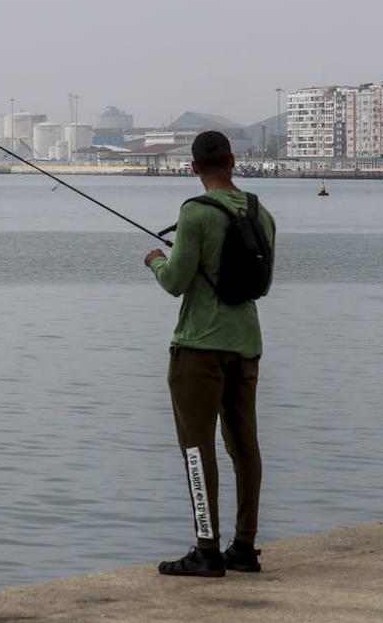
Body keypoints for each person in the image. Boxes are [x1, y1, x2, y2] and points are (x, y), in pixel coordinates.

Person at [143, 130, 276, 578]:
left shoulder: (195, 213)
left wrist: (156, 260)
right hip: (247, 345)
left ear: (194, 167)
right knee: (245, 447)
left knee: (197, 450)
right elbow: (262, 282)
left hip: (199, 348)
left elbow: (175, 282)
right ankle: (244, 546)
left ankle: (206, 549)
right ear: (234, 160)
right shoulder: (262, 213)